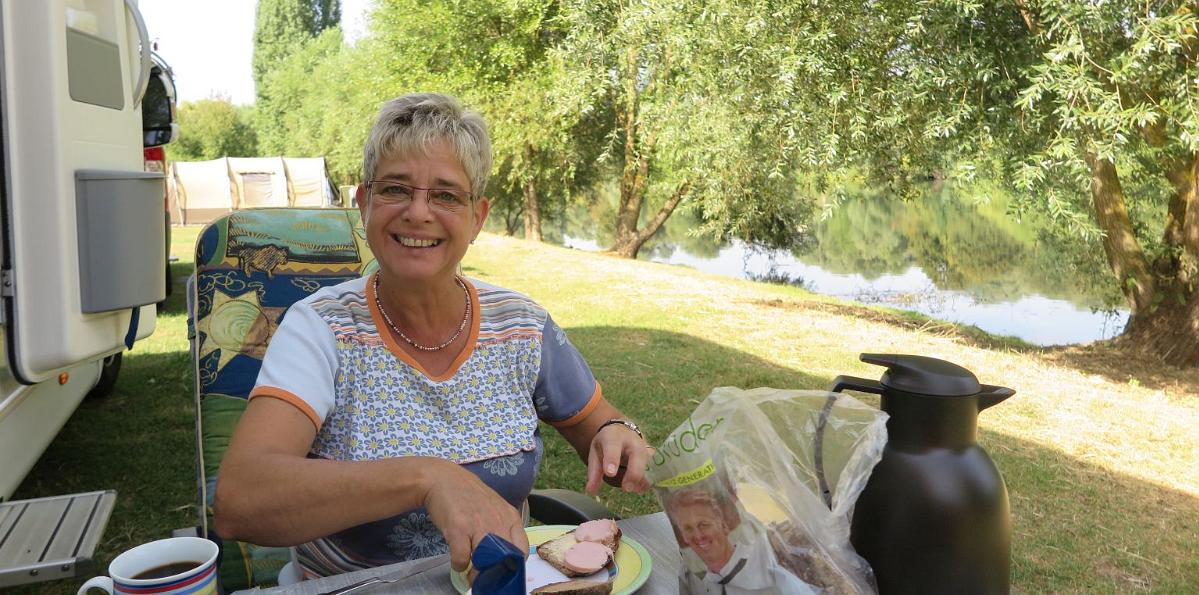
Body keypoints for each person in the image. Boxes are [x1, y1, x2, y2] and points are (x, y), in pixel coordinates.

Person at [213, 93, 650, 579]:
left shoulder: (521, 326)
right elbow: (241, 500)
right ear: (364, 203)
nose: (418, 213)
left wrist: (617, 434)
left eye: (445, 195)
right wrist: (426, 478)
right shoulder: (321, 329)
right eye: (396, 189)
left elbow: (603, 427)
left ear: (477, 217)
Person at [669, 489, 815, 595]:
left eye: (704, 525)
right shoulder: (693, 580)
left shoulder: (770, 569)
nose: (697, 535)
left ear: (723, 525)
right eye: (688, 528)